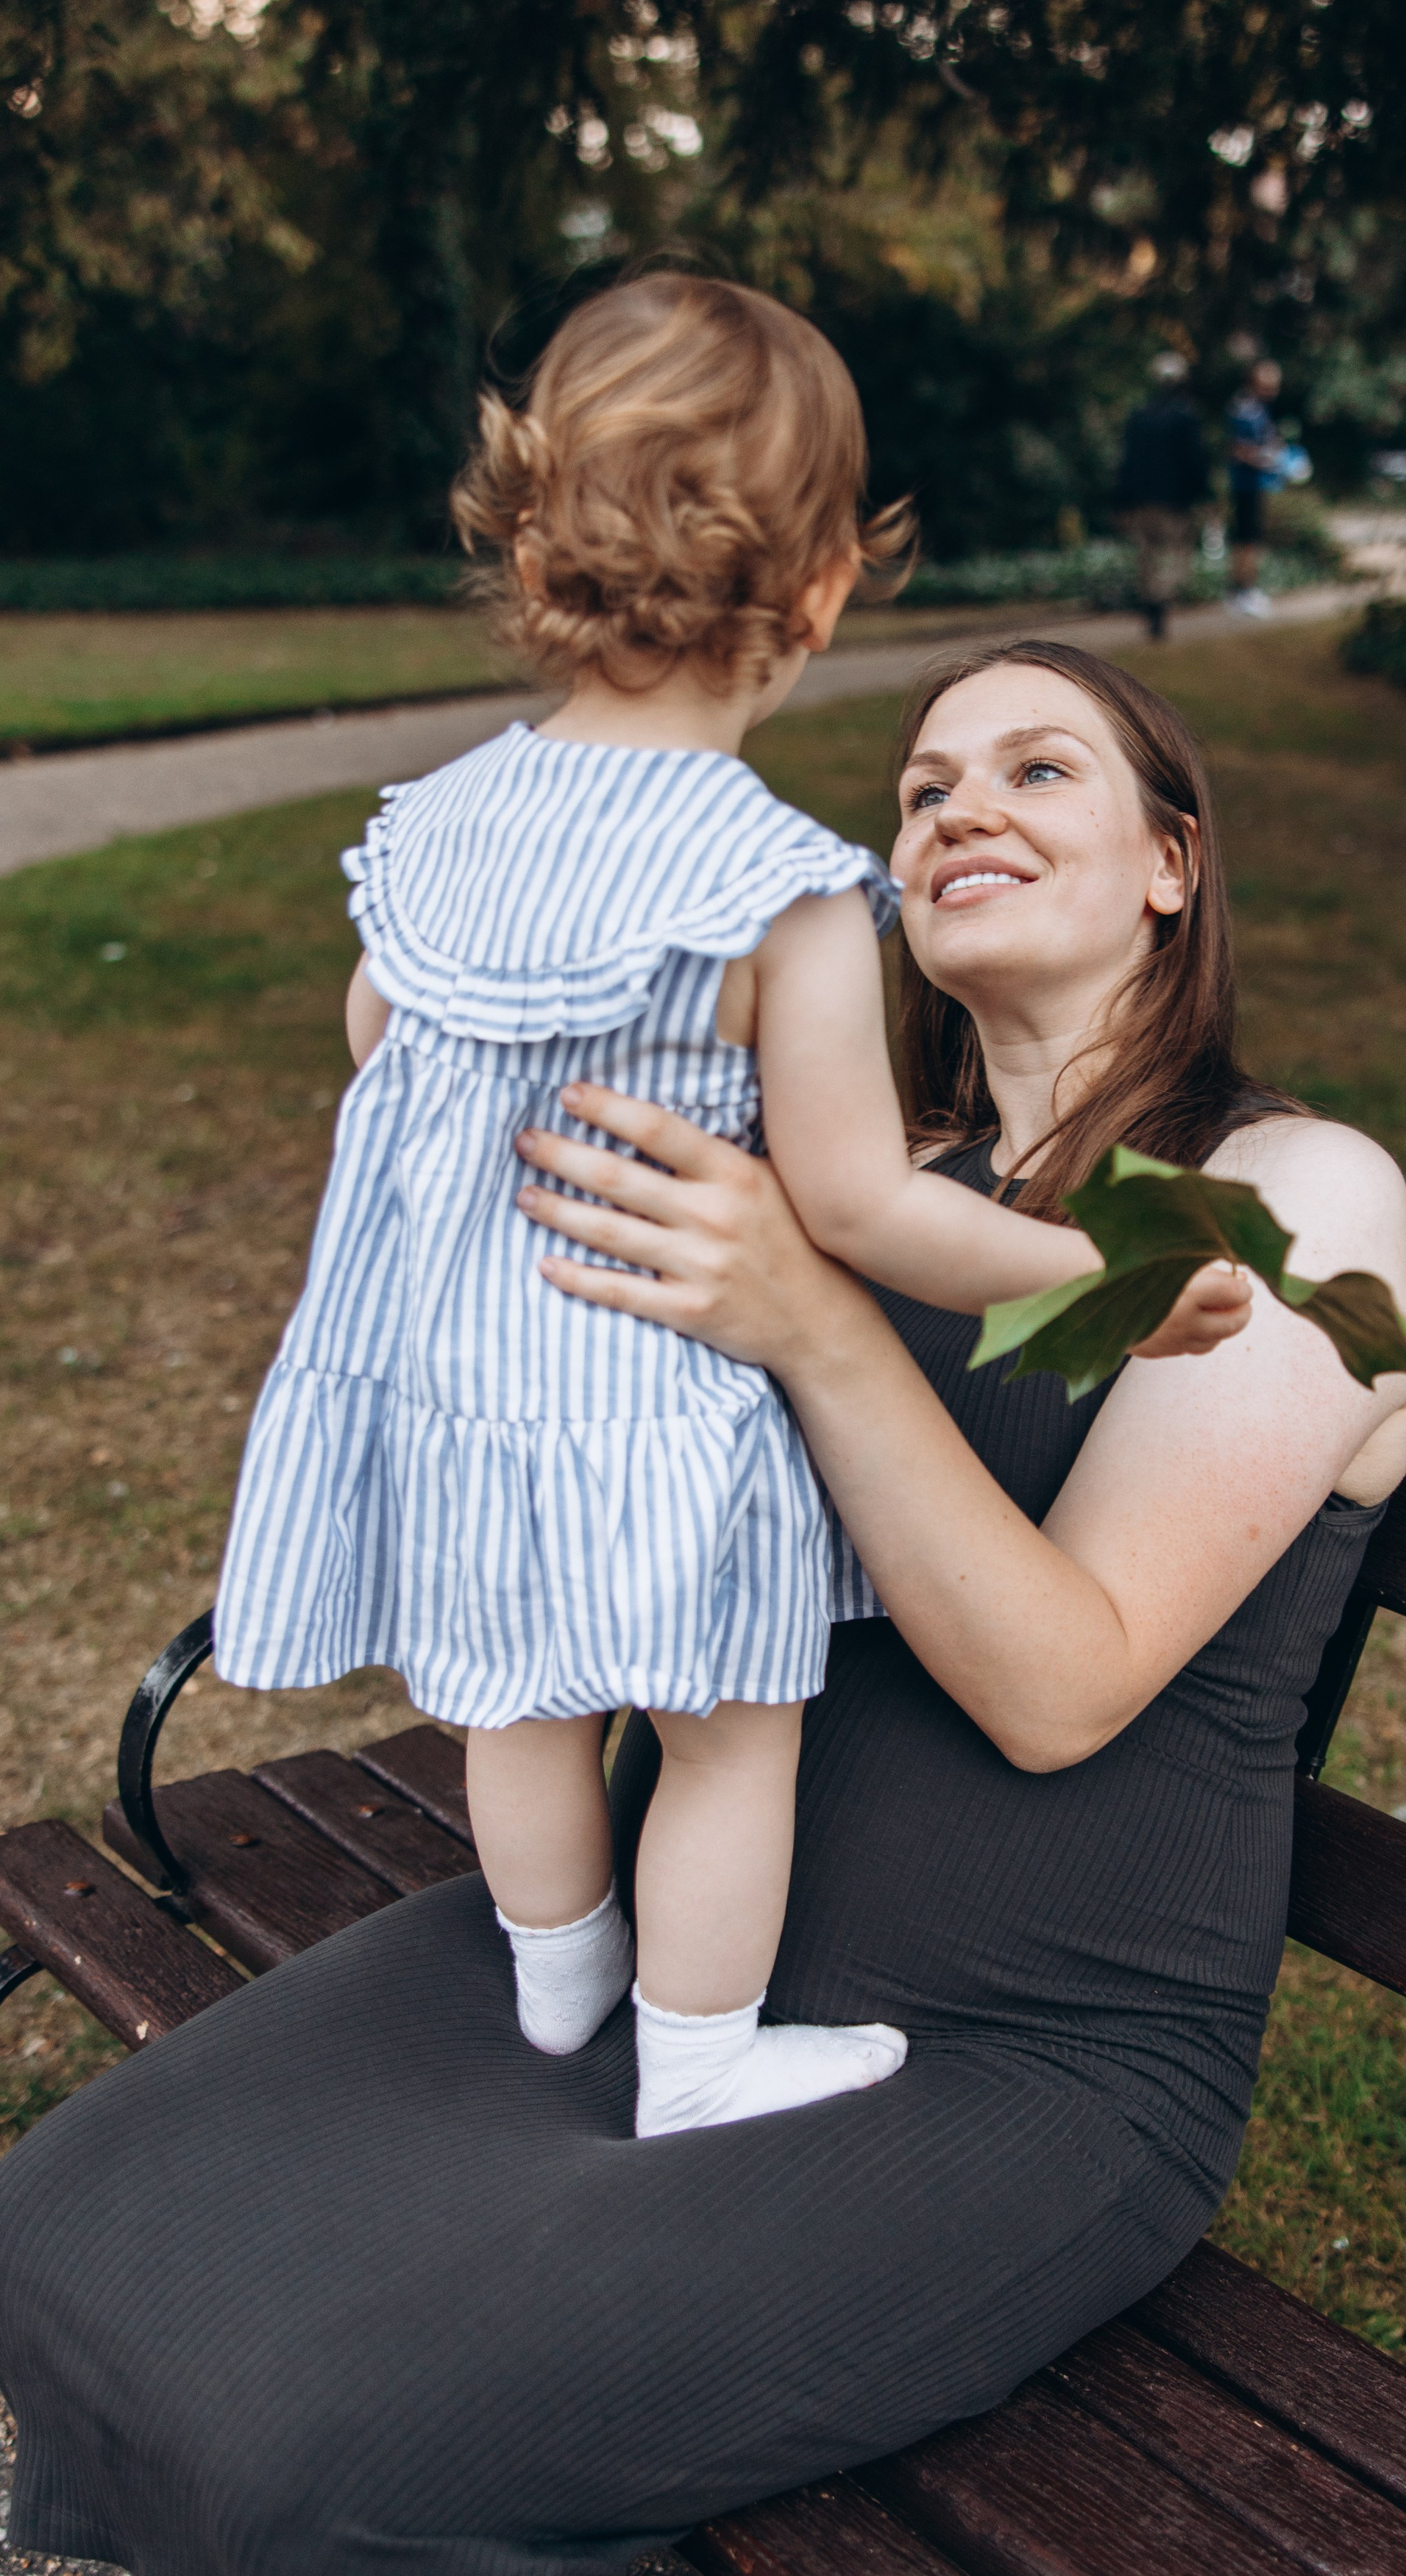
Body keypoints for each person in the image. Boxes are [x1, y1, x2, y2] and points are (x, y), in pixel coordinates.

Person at [0, 636, 1406, 2576]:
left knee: (311, 2452)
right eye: (923, 788)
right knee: (71, 2217)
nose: (960, 810)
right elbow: (436, 1053)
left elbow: (1061, 1684)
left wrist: (806, 1324)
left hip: (1021, 2054)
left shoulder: (1289, 1195)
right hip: (706, 1958)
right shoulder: (863, 1182)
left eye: (1036, 769)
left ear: (1174, 861)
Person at [210, 275, 1246, 2135]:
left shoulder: (433, 821)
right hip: (652, 1418)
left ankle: (554, 1978)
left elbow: (379, 1035)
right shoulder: (777, 888)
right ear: (826, 587)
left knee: (513, 1702)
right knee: (723, 1733)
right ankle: (693, 2055)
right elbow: (856, 1206)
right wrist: (1104, 1278)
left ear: (533, 548)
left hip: (460, 1401)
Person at [1115, 352, 1211, 641]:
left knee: (1147, 556)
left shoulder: (1139, 416)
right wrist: (1202, 494)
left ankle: (1152, 604)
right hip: (1174, 503)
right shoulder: (1186, 417)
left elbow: (1127, 461)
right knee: (1174, 556)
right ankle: (1159, 603)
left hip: (1142, 500)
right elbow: (1195, 461)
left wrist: (1122, 500)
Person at [1225, 355, 1285, 619]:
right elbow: (1238, 450)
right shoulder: (1245, 410)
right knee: (1248, 540)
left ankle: (1245, 590)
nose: (1274, 390)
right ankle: (1244, 592)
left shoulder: (1258, 409)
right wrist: (1268, 459)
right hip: (1246, 485)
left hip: (1254, 484)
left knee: (1251, 539)